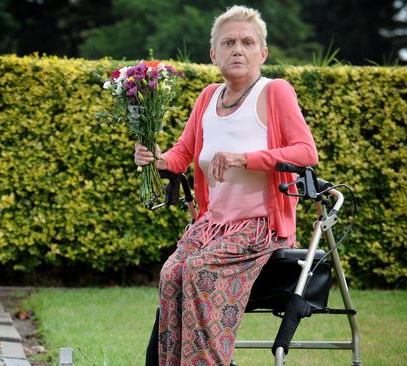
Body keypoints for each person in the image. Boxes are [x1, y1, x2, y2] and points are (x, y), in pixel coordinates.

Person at [133, 5, 318, 365]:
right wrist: (157, 159)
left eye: (248, 42)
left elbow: (305, 152)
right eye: (228, 42)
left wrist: (243, 157)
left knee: (200, 271)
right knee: (172, 273)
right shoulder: (207, 97)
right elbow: (183, 153)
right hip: (213, 226)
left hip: (261, 227)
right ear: (213, 54)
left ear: (262, 53)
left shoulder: (274, 91)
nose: (238, 49)